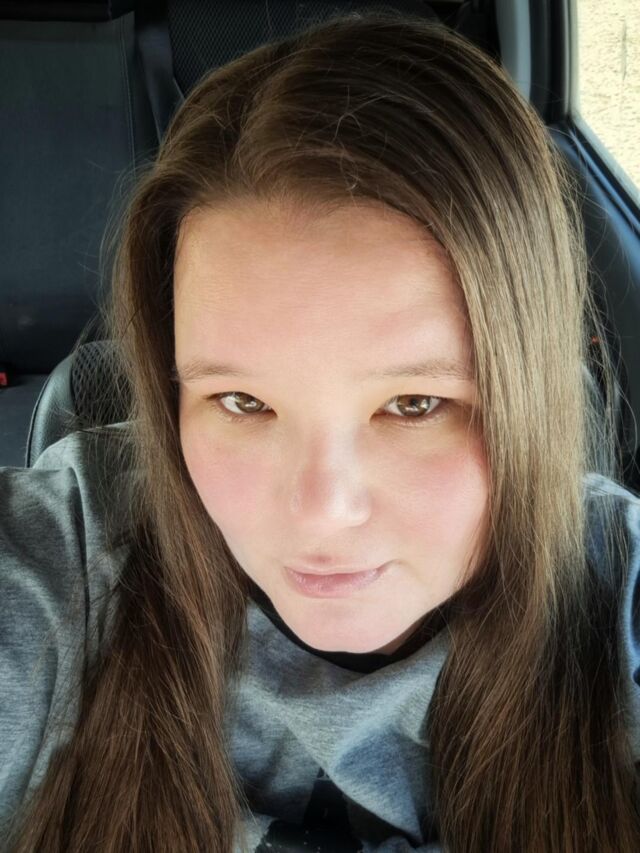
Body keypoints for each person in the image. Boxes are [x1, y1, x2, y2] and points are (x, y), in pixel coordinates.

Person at [1, 10, 639, 852]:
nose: (320, 512)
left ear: (531, 390)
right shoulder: (73, 565)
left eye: (414, 404)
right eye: (242, 401)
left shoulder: (618, 603)